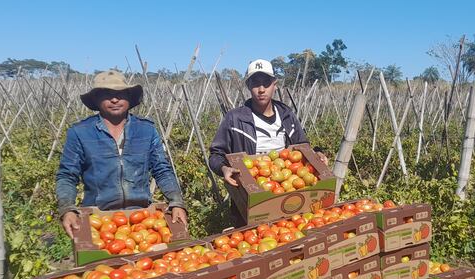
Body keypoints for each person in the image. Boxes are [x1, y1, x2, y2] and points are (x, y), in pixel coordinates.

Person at [56, 69, 187, 237]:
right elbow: (67, 175)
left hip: (141, 217)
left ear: (129, 97)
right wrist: (67, 208)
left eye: (120, 94)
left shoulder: (146, 130)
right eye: (106, 94)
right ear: (96, 99)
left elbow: (162, 169)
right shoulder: (80, 133)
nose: (114, 99)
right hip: (98, 218)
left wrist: (176, 201)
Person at [209, 59, 327, 226]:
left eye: (266, 83)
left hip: (289, 191)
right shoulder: (235, 118)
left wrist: (317, 153)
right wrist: (224, 168)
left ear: (275, 85)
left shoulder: (287, 115)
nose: (261, 89)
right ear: (248, 85)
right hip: (251, 195)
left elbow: (302, 146)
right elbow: (215, 154)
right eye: (256, 83)